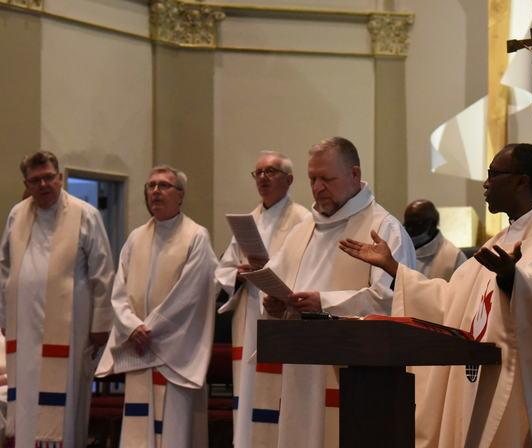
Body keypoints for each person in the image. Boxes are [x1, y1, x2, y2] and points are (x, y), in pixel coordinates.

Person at [339, 143, 532, 447]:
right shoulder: (500, 242)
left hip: (521, 393)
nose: (486, 184)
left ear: (521, 181)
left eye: (493, 174)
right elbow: (451, 301)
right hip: (481, 380)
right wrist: (395, 269)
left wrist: (513, 280)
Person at [262, 137, 415, 448]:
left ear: (354, 175)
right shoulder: (302, 230)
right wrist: (277, 308)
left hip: (354, 375)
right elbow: (279, 283)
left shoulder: (383, 229)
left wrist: (323, 303)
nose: (317, 188)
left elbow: (393, 302)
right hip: (302, 370)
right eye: (312, 179)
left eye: (327, 179)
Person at [97, 165, 218, 447]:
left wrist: (147, 329)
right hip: (140, 347)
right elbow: (119, 292)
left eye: (164, 186)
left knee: (173, 431)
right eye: (150, 186)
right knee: (140, 430)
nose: (155, 191)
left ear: (181, 195)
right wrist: (131, 326)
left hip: (174, 353)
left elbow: (191, 295)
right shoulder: (135, 237)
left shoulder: (196, 236)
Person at [0, 151, 115, 447]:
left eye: (49, 177)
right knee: (25, 399)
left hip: (70, 329)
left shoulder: (84, 214)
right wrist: (4, 316)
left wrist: (101, 323)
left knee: (65, 404)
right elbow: (5, 267)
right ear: (26, 183)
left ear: (60, 177)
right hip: (23, 328)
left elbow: (103, 272)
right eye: (35, 180)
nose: (43, 185)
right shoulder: (17, 214)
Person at [215, 150, 309, 448]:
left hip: (281, 316)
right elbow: (224, 268)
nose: (263, 179)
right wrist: (240, 275)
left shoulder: (304, 219)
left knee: (277, 395)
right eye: (258, 173)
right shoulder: (247, 221)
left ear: (289, 179)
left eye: (271, 172)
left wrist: (281, 289)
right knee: (248, 392)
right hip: (249, 316)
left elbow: (307, 267)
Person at [404, 199, 466, 281]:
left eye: (416, 224)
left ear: (432, 224)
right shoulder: (400, 249)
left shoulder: (455, 257)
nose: (410, 229)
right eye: (407, 225)